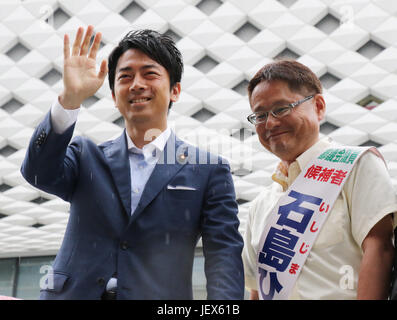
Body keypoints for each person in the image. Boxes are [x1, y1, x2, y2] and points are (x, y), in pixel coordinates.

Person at [20, 25, 244, 300]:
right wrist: (69, 101)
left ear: (175, 90)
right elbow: (38, 174)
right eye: (125, 77)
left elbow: (223, 253)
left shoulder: (209, 170)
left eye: (149, 74)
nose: (136, 84)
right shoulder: (85, 155)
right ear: (114, 96)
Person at [242, 59, 397, 300]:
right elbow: (256, 288)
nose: (270, 123)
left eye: (281, 109)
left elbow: (380, 248)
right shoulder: (261, 204)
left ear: (319, 106)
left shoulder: (357, 166)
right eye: (260, 115)